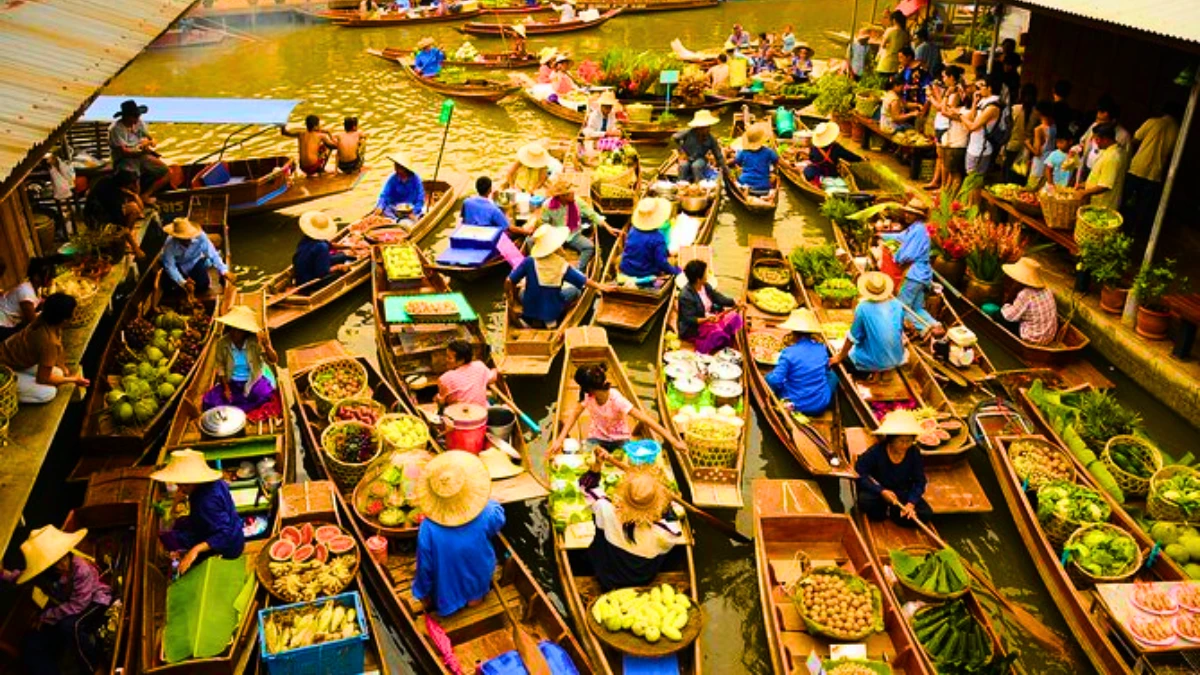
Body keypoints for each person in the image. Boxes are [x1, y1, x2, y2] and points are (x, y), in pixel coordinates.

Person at [1, 525, 113, 675]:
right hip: (69, 607)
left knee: (71, 626)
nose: (63, 565)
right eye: (56, 563)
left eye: (63, 559)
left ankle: (94, 667)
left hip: (95, 601)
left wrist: (46, 616)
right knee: (31, 641)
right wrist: (3, 573)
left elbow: (78, 605)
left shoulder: (81, 569)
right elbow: (21, 577)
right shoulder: (46, 572)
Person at [412, 451, 505, 616]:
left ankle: (453, 606)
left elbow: (425, 567)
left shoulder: (428, 528)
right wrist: (489, 500)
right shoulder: (488, 510)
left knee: (447, 594)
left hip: (447, 586)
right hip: (479, 574)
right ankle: (474, 601)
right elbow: (498, 520)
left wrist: (422, 593)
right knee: (475, 596)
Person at [577, 454, 687, 591]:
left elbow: (586, 487)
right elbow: (672, 523)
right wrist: (666, 503)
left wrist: (596, 466)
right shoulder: (666, 532)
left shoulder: (606, 510)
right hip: (643, 578)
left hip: (607, 578)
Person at [548, 364, 685, 455]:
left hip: (620, 439)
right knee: (586, 461)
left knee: (628, 463)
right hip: (597, 437)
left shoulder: (616, 400)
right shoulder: (587, 395)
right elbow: (574, 415)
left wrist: (674, 442)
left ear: (589, 388)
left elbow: (646, 419)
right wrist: (559, 440)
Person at [152, 449, 245, 575]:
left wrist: (195, 550)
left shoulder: (206, 503)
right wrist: (177, 501)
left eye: (183, 485)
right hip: (224, 527)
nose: (180, 488)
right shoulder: (215, 482)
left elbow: (225, 534)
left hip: (228, 544)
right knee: (178, 525)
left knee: (172, 538)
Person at [506, 225, 607, 328]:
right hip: (551, 310)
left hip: (529, 307)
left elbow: (509, 280)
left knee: (522, 292)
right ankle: (550, 320)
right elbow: (582, 280)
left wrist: (510, 301)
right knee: (575, 290)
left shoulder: (529, 261)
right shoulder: (560, 264)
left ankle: (532, 318)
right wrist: (600, 286)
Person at [0, 293, 88, 404]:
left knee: (59, 373)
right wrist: (74, 379)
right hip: (3, 368)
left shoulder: (45, 319)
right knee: (48, 392)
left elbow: (59, 346)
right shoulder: (48, 342)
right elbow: (43, 379)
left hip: (14, 361)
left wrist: (64, 368)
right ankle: (9, 395)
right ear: (64, 321)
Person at [855, 409, 932, 526]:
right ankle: (889, 511)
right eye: (901, 441)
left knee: (925, 513)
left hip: (901, 493)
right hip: (880, 492)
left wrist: (911, 503)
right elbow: (860, 472)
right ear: (891, 440)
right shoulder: (876, 451)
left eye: (909, 441)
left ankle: (894, 512)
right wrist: (881, 491)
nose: (905, 445)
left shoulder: (914, 453)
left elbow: (920, 481)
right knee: (865, 501)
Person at [201, 305, 278, 414]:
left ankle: (239, 407)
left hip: (252, 381)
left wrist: (267, 346)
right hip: (232, 382)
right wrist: (226, 388)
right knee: (209, 401)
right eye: (232, 329)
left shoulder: (255, 343)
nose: (234, 333)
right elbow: (220, 367)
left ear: (245, 332)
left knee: (264, 394)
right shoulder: (222, 343)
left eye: (238, 331)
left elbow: (273, 360)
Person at [880, 200, 940, 334]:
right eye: (907, 212)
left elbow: (907, 255)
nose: (907, 215)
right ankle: (936, 326)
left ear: (917, 216)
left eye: (911, 213)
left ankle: (926, 330)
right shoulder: (913, 229)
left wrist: (896, 256)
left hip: (914, 275)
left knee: (901, 307)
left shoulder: (919, 230)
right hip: (921, 275)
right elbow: (899, 237)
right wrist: (880, 235)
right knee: (917, 308)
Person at [831, 272, 906, 377]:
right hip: (897, 358)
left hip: (873, 361)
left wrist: (839, 357)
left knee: (843, 357)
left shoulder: (863, 308)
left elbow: (852, 338)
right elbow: (899, 330)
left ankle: (867, 373)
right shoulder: (897, 305)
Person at [1125, 101, 1183, 236]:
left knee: (1126, 199)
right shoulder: (1179, 131)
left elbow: (1135, 139)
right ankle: (1134, 231)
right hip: (1155, 173)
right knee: (1143, 205)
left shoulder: (1153, 122)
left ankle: (1122, 226)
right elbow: (1175, 153)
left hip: (1137, 167)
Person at [766, 309, 837, 416]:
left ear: (793, 333)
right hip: (820, 404)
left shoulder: (788, 353)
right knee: (833, 376)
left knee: (769, 378)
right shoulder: (822, 349)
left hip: (795, 405)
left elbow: (775, 381)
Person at [540, 176, 614, 271]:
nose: (573, 194)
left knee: (589, 247)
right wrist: (554, 244)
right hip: (556, 235)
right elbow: (544, 224)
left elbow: (593, 215)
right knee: (532, 242)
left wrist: (608, 227)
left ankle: (578, 270)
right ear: (562, 196)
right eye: (570, 193)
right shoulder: (547, 205)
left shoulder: (577, 201)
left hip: (573, 235)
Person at [108, 99, 170, 202]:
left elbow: (151, 138)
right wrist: (141, 152)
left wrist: (151, 142)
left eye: (138, 116)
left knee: (166, 172)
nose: (137, 119)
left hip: (140, 155)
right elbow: (124, 151)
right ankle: (136, 203)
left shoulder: (139, 123)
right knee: (134, 185)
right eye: (135, 116)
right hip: (124, 160)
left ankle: (146, 195)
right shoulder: (116, 129)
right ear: (126, 116)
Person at [676, 258, 742, 355]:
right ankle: (705, 347)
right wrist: (707, 319)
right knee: (717, 333)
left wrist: (734, 302)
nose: (707, 275)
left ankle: (720, 339)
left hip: (709, 317)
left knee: (735, 317)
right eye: (705, 274)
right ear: (698, 279)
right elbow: (690, 319)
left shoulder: (705, 286)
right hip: (693, 328)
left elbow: (717, 297)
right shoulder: (685, 296)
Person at [82, 170, 147, 259]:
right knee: (131, 214)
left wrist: (135, 195)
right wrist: (136, 248)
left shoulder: (109, 181)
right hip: (96, 219)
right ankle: (124, 240)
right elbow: (120, 225)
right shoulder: (114, 199)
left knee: (135, 208)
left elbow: (141, 209)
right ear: (127, 185)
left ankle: (126, 237)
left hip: (102, 211)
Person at [161, 217, 232, 297]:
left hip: (195, 262)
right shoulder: (169, 244)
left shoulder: (201, 236)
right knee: (168, 286)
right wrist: (183, 282)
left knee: (203, 285)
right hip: (179, 265)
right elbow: (170, 266)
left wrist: (224, 270)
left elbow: (212, 253)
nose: (186, 240)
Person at [996, 257, 1057, 345]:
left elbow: (1009, 316)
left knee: (998, 316)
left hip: (1033, 338)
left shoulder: (1026, 294)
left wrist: (1005, 306)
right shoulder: (1047, 289)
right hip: (1050, 336)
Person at [619, 198, 679, 285]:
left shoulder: (633, 230)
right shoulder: (658, 238)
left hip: (626, 268)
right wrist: (676, 271)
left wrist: (666, 252)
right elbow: (662, 263)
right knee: (672, 262)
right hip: (645, 273)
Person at [924, 65, 965, 190]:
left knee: (944, 158)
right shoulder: (950, 91)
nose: (943, 79)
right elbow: (942, 105)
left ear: (951, 77)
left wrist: (931, 96)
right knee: (940, 157)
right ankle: (936, 181)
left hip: (946, 126)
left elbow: (943, 109)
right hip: (940, 124)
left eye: (945, 76)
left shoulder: (955, 93)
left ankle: (943, 186)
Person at [292, 210, 353, 290]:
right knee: (344, 270)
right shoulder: (321, 247)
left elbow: (330, 245)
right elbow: (322, 273)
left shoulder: (306, 238)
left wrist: (349, 247)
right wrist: (338, 267)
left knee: (343, 256)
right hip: (310, 283)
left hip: (301, 276)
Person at [0, 256, 57, 341]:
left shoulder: (35, 288)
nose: (51, 280)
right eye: (49, 277)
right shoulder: (25, 292)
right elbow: (32, 322)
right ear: (36, 277)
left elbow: (39, 303)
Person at [957, 74, 1003, 176]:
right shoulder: (983, 102)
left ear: (989, 88)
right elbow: (971, 118)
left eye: (982, 86)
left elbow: (973, 126)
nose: (979, 89)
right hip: (973, 146)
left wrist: (960, 116)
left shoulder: (992, 107)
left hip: (981, 149)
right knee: (971, 178)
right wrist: (974, 102)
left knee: (974, 181)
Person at [1079, 96, 1131, 177]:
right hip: (1086, 168)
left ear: (1113, 121)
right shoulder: (1095, 125)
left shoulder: (1124, 136)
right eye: (1097, 119)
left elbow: (1124, 161)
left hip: (1103, 174)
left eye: (1102, 120)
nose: (1098, 122)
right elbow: (1083, 141)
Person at [436, 339, 496, 409]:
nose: (446, 360)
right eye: (446, 356)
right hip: (482, 415)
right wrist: (495, 370)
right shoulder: (479, 366)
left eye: (449, 358)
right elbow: (493, 378)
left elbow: (442, 401)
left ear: (461, 360)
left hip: (459, 418)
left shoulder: (445, 378)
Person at [1077, 124, 1124, 211]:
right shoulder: (1108, 151)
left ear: (1106, 139)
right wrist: (1083, 185)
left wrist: (1084, 193)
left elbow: (1105, 185)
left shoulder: (1112, 157)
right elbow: (1100, 175)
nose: (1095, 142)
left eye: (1097, 139)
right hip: (1097, 202)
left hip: (1103, 204)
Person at [462, 176, 529, 236]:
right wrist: (525, 231)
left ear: (476, 188)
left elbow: (464, 219)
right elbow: (510, 228)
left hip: (470, 232)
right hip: (487, 236)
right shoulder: (494, 210)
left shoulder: (466, 202)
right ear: (490, 190)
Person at [673, 110, 725, 183]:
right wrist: (682, 151)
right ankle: (681, 184)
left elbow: (718, 156)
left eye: (708, 127)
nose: (708, 129)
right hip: (688, 157)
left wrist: (724, 168)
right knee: (683, 166)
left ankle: (699, 184)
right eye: (705, 127)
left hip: (700, 159)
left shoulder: (710, 139)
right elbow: (675, 137)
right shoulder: (688, 133)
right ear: (699, 127)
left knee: (696, 166)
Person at [729, 123, 778, 194]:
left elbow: (737, 163)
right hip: (764, 185)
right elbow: (776, 162)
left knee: (736, 180)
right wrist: (773, 172)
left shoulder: (743, 152)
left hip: (744, 182)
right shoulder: (769, 152)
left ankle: (745, 192)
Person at [374, 152, 426, 220]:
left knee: (417, 217)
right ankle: (395, 220)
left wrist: (414, 211)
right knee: (385, 209)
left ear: (405, 168)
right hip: (395, 209)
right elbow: (384, 195)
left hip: (410, 209)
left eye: (398, 167)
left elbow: (420, 198)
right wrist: (380, 207)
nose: (395, 168)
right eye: (395, 166)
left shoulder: (416, 179)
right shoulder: (392, 179)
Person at [1025, 100, 1057, 187]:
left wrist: (1027, 144)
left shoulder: (1039, 129)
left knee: (1032, 186)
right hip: (1050, 160)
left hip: (1039, 162)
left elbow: (1037, 152)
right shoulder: (1054, 125)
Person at [876, 11, 909, 77]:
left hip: (886, 62)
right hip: (896, 63)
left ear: (894, 20)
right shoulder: (905, 34)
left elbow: (882, 45)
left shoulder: (890, 30)